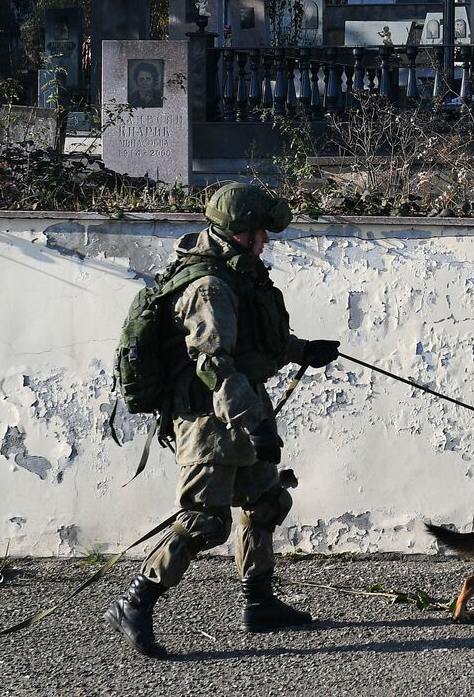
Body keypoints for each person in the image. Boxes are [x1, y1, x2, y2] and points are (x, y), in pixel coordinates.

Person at [107, 182, 341, 658]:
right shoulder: (208, 286)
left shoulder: (240, 274)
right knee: (205, 522)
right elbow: (214, 362)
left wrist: (303, 351)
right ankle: (135, 603)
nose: (267, 241)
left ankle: (259, 604)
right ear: (241, 232)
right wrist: (253, 423)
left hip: (241, 404)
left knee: (266, 502)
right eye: (261, 232)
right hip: (209, 417)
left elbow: (253, 343)